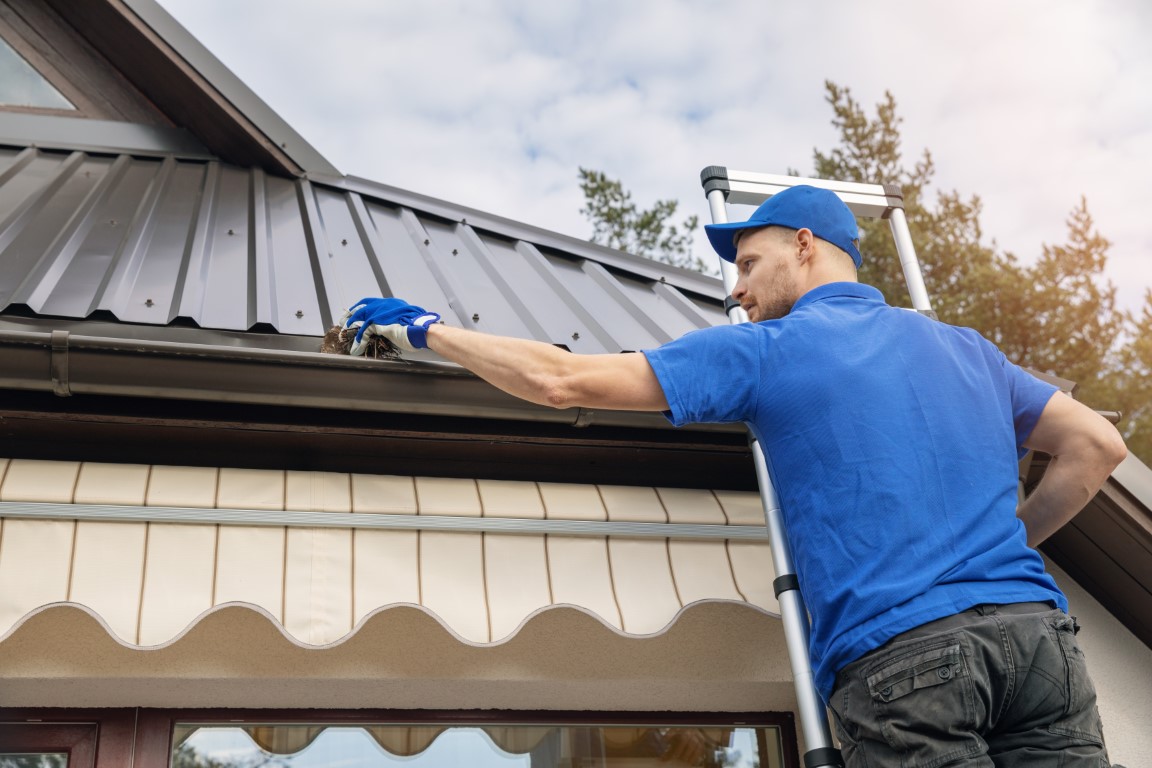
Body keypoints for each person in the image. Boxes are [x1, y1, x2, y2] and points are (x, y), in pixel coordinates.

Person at [341, 185, 1127, 767]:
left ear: (807, 245)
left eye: (750, 263)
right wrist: (997, 545)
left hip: (906, 659)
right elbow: (1096, 445)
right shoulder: (966, 349)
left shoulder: (771, 351)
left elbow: (561, 380)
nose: (736, 288)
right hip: (1039, 647)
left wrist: (427, 329)